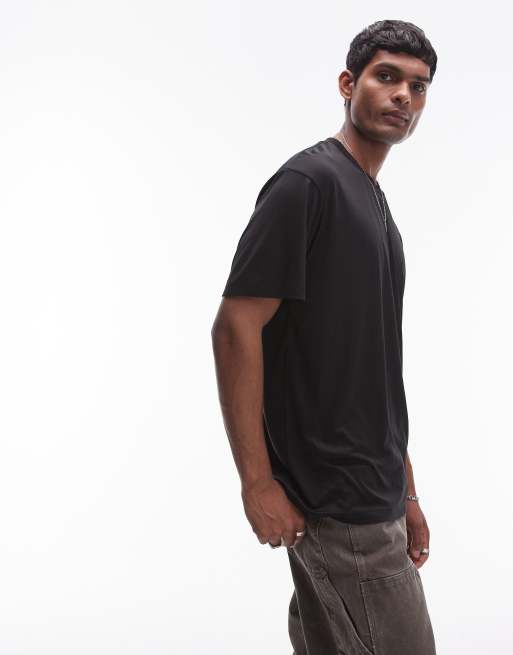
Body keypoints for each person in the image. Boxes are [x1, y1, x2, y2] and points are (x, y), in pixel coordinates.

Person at [211, 19, 438, 655]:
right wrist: (257, 483)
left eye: (418, 86)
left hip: (374, 494)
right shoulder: (308, 185)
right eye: (386, 77)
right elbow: (235, 327)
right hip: (338, 503)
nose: (403, 96)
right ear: (347, 83)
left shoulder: (374, 202)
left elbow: (375, 366)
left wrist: (406, 490)